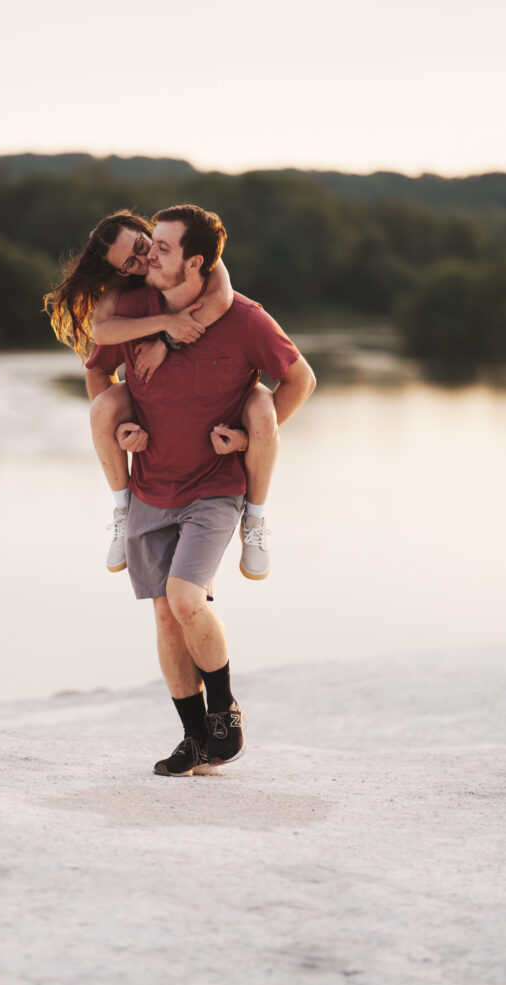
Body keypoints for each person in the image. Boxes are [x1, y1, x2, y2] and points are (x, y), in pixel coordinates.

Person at [85, 205, 316, 776]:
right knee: (166, 616)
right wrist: (122, 426)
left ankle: (225, 711)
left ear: (194, 263)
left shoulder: (245, 319)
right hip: (150, 487)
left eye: (161, 248)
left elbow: (300, 379)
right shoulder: (133, 309)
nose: (149, 257)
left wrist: (248, 437)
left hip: (214, 489)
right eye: (149, 244)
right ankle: (194, 739)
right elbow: (98, 369)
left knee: (186, 598)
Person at [44, 211, 280, 580]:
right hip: (156, 468)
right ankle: (122, 509)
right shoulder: (126, 290)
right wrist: (123, 428)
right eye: (130, 263)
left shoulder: (194, 261)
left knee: (262, 405)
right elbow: (101, 335)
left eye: (143, 246)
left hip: (216, 436)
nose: (143, 261)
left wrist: (165, 344)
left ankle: (255, 518)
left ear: (148, 232)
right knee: (103, 408)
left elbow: (220, 298)